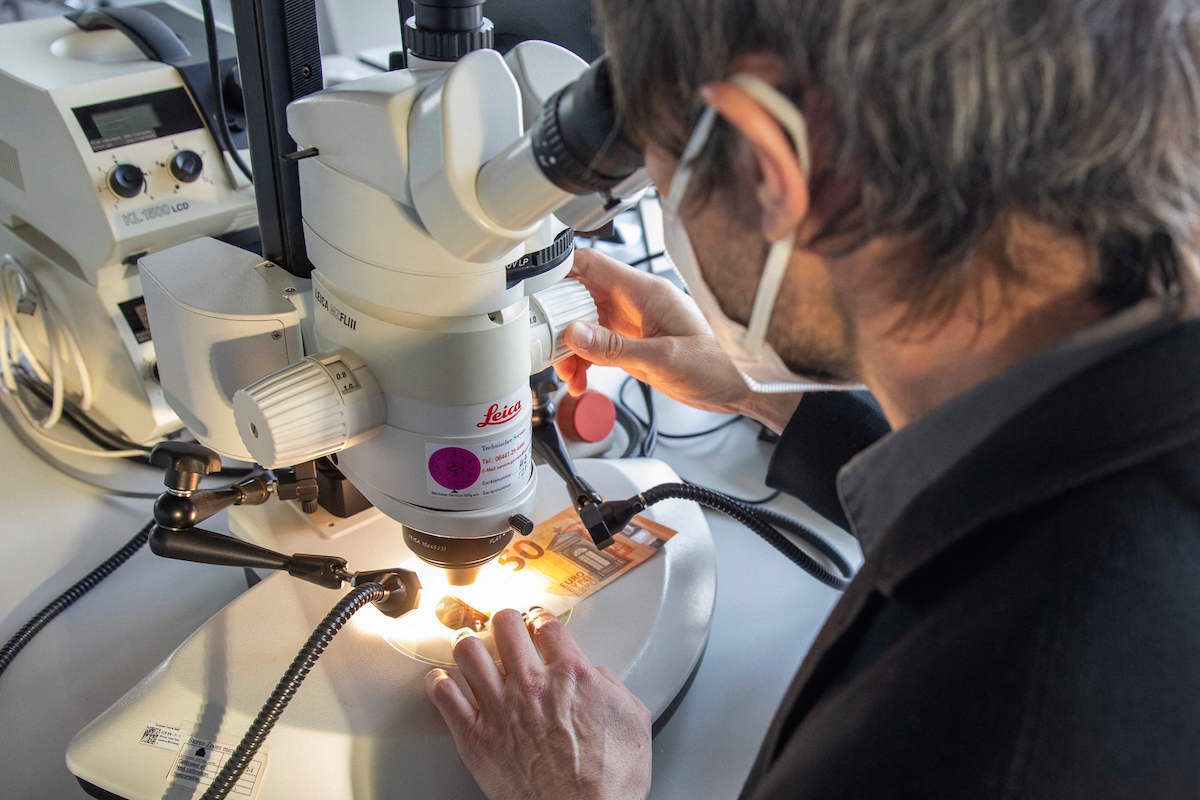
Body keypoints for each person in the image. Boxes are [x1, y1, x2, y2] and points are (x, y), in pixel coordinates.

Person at [424, 1, 1200, 797]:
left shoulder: (975, 738)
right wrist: (764, 391)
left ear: (769, 167)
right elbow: (998, 477)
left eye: (660, 176)